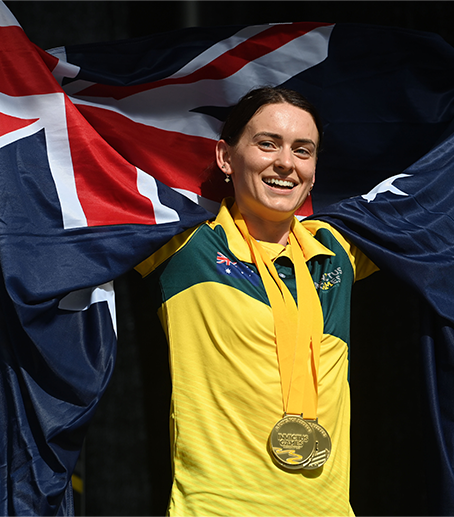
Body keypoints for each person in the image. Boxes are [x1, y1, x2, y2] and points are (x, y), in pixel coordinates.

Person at [135, 86, 378, 516]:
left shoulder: (335, 252)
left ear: (315, 170)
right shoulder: (185, 248)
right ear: (225, 157)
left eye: (303, 151)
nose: (286, 163)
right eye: (268, 144)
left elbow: (436, 202)